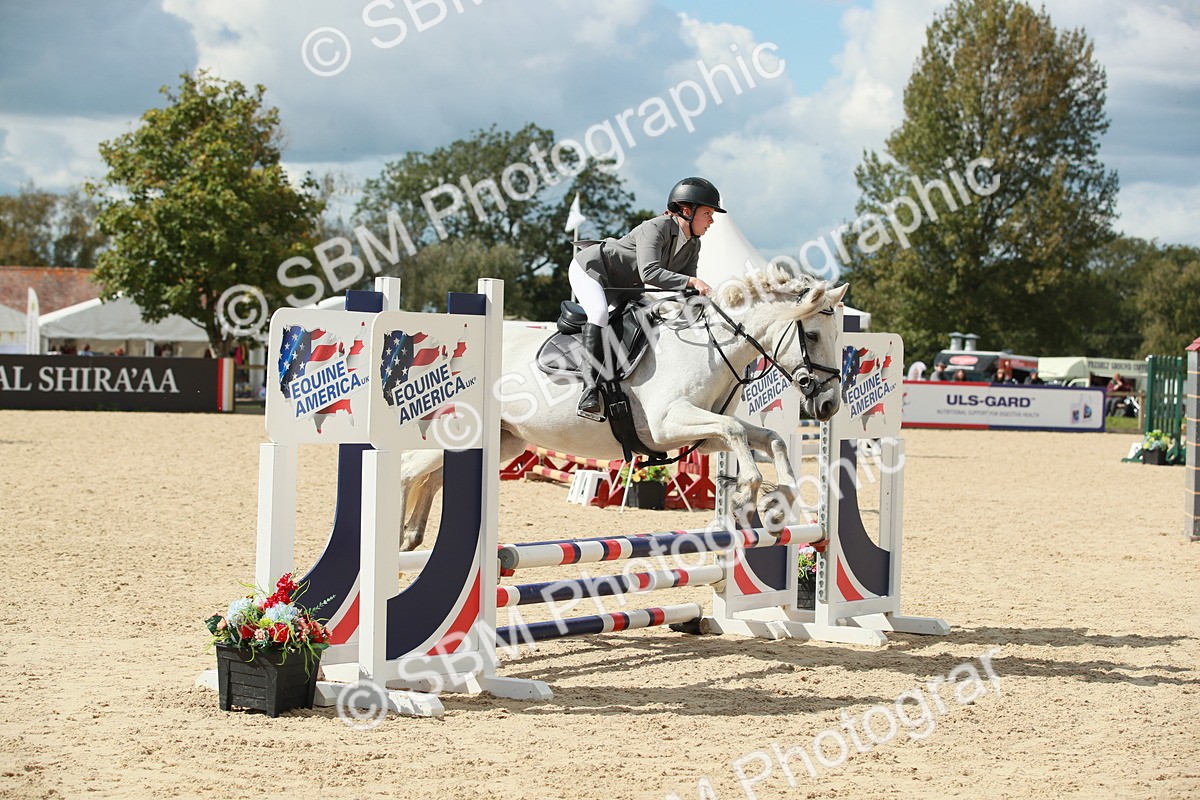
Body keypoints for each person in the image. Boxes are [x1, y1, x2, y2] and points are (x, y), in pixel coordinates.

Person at [568, 177, 721, 419]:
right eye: (708, 213)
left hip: (626, 286)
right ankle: (589, 390)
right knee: (598, 313)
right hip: (593, 270)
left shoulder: (693, 245)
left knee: (648, 319)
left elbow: (686, 290)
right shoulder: (656, 227)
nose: (712, 220)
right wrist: (693, 282)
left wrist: (708, 307)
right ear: (686, 211)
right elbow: (649, 272)